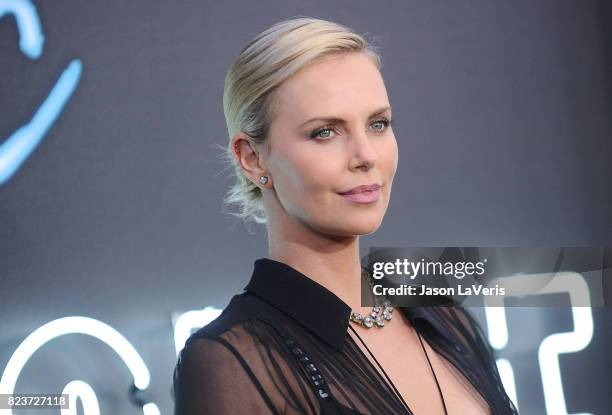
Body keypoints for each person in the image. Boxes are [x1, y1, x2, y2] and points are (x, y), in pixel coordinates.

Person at [173, 16, 518, 415]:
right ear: (252, 157)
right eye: (325, 132)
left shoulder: (442, 314)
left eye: (378, 124)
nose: (366, 156)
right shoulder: (232, 360)